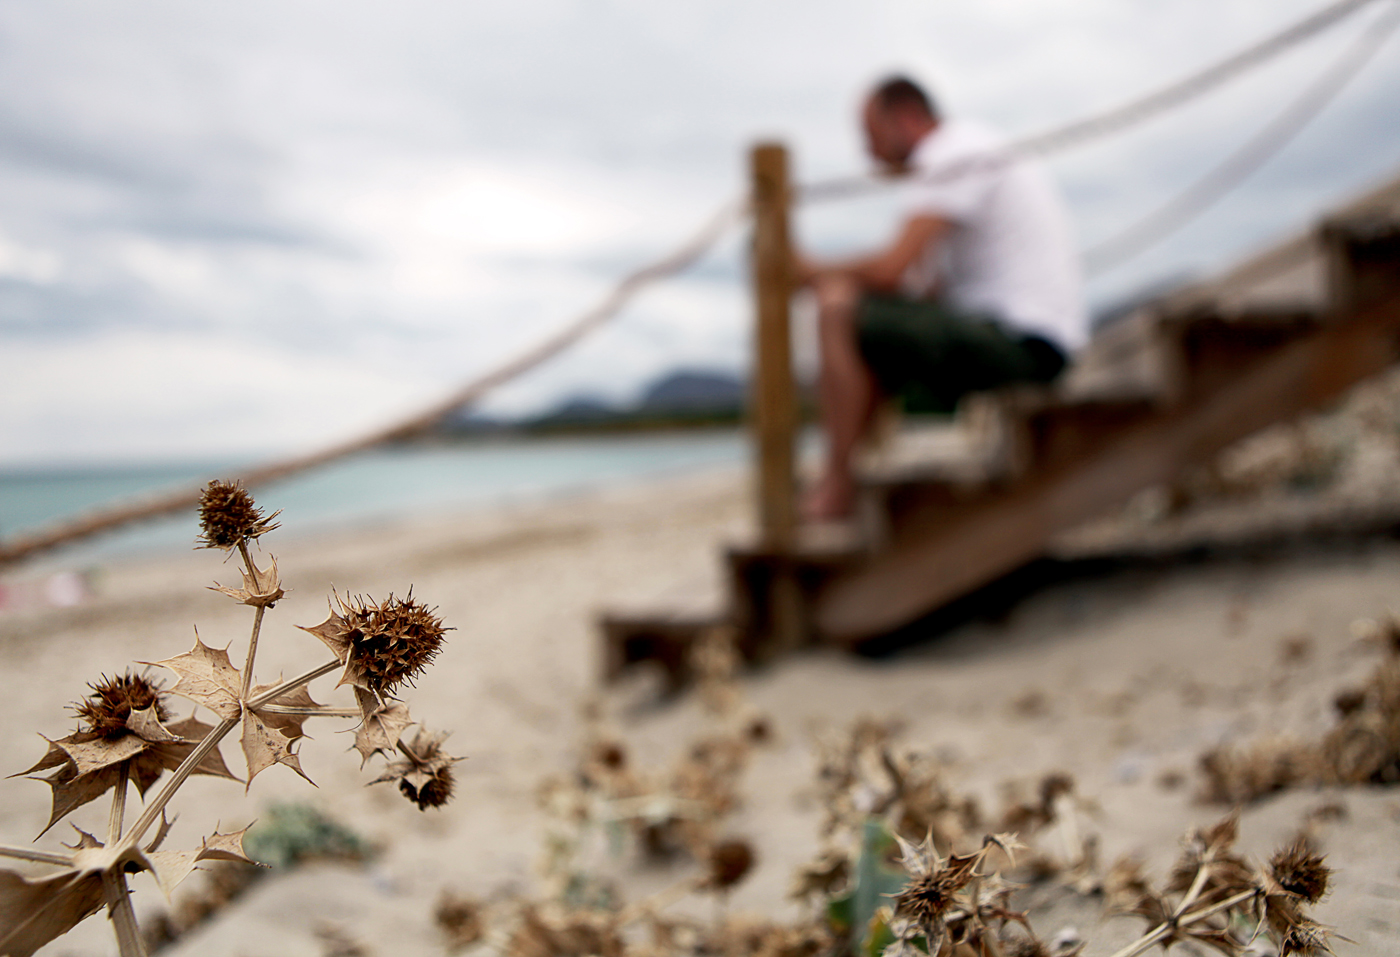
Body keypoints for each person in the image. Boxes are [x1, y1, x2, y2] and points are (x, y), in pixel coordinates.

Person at [799, 76, 1086, 520]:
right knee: (870, 325)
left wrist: (805, 270)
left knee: (838, 307)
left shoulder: (950, 152)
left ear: (907, 119)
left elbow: (889, 271)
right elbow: (915, 289)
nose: (869, 154)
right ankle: (854, 474)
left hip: (1024, 342)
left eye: (871, 137)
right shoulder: (969, 152)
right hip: (1022, 336)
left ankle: (838, 485)